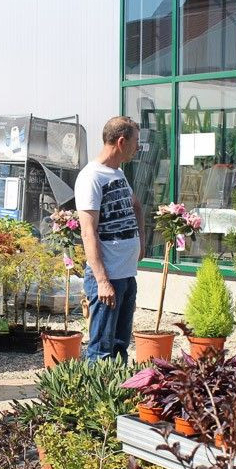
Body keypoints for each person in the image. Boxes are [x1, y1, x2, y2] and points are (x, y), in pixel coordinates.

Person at [76, 116, 144, 361]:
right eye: (136, 142)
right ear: (122, 142)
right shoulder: (91, 177)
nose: (138, 147)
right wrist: (102, 280)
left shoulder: (117, 174)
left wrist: (141, 242)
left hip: (126, 275)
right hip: (108, 278)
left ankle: (118, 396)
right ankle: (97, 398)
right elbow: (88, 232)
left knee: (119, 346)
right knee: (101, 350)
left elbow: (136, 206)